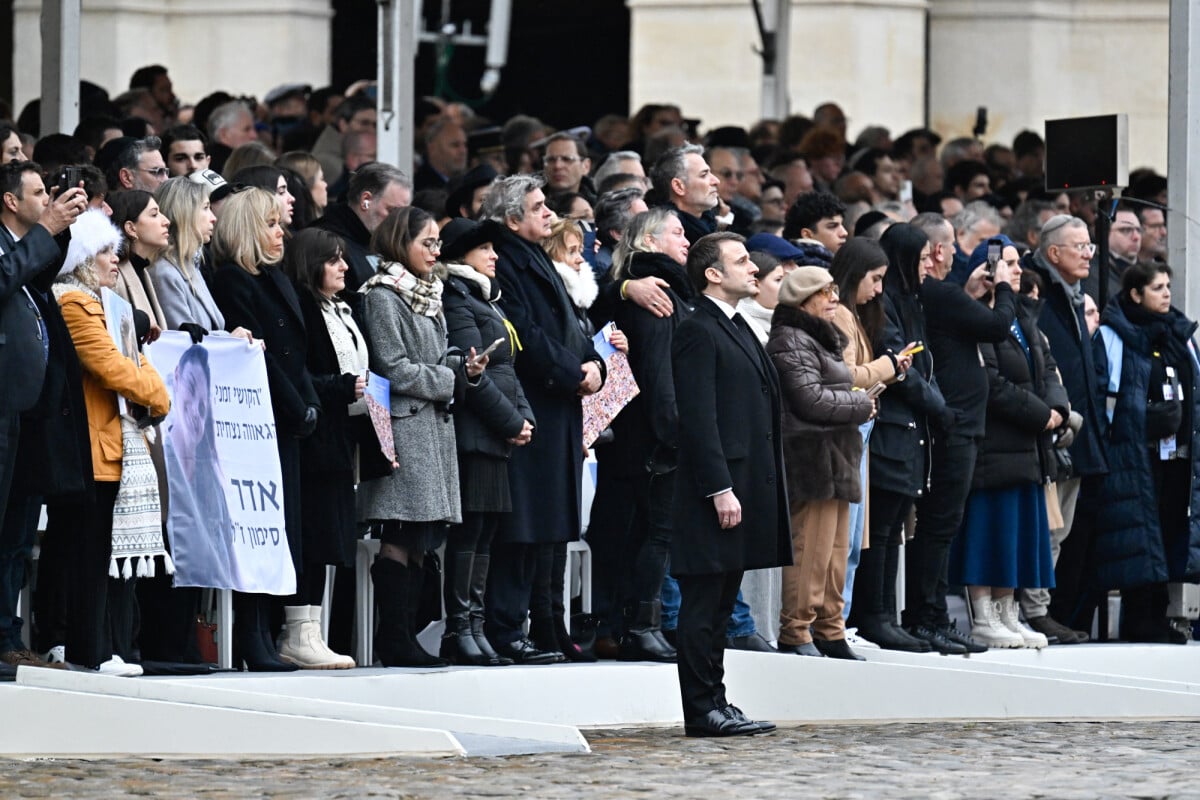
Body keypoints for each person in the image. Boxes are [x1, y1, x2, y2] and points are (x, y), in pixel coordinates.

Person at [481, 176, 606, 664]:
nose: (549, 214)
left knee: (551, 521)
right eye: (538, 208)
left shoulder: (533, 255)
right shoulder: (507, 261)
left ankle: (547, 624)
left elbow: (570, 325)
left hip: (559, 403)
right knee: (524, 522)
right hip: (532, 402)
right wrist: (572, 371)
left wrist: (593, 363)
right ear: (513, 220)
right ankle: (509, 627)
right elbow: (525, 333)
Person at [671, 232, 790, 737]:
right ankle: (701, 709)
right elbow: (697, 417)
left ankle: (717, 699)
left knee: (721, 602)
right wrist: (719, 487)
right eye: (741, 261)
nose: (753, 268)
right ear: (712, 274)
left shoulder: (734, 324)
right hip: (714, 489)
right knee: (703, 603)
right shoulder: (698, 328)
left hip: (742, 482)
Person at [359, 207, 484, 667]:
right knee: (400, 532)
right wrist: (450, 379)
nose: (436, 251)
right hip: (406, 427)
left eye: (438, 243)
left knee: (420, 538)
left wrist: (462, 368)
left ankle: (406, 637)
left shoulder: (427, 294)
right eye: (426, 242)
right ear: (399, 243)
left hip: (432, 427)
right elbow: (392, 366)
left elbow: (439, 357)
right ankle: (394, 639)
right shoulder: (383, 295)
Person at [53, 209, 171, 675]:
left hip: (113, 442)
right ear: (82, 258)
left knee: (104, 551)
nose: (114, 259)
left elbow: (138, 362)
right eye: (104, 251)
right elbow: (112, 367)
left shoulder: (106, 305)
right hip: (90, 442)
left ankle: (107, 646)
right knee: (89, 552)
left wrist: (153, 391)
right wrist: (161, 398)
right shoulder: (73, 303)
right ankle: (91, 649)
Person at [211, 187, 317, 672]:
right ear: (246, 229)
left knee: (277, 530)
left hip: (289, 419)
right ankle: (250, 636)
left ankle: (265, 633)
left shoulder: (276, 278)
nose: (282, 233)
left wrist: (308, 403)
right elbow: (260, 357)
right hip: (260, 420)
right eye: (271, 225)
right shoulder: (233, 280)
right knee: (256, 529)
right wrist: (299, 407)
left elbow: (299, 353)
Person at [904, 221, 1019, 654]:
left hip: (956, 420)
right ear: (936, 250)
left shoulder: (940, 295)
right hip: (954, 422)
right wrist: (1003, 287)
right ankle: (927, 616)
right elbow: (996, 326)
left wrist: (969, 292)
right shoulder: (938, 293)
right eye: (951, 245)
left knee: (940, 525)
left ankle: (930, 615)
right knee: (939, 525)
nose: (956, 254)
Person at [951, 237, 1067, 649]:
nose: (1017, 270)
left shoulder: (1022, 316)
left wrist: (1058, 408)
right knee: (989, 531)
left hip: (1028, 444)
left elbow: (1047, 367)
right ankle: (983, 617)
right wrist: (1041, 414)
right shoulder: (978, 317)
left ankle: (1008, 614)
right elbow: (991, 383)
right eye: (1009, 264)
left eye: (1019, 263)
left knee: (1016, 534)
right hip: (995, 444)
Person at [0, 161, 87, 674]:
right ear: (10, 201)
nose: (45, 201)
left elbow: (42, 267)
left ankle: (8, 637)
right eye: (37, 194)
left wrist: (61, 223)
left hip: (30, 413)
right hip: (5, 409)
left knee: (16, 535)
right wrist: (47, 229)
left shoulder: (28, 247)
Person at [438, 218, 535, 666]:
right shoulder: (457, 299)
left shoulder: (483, 298)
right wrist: (511, 421)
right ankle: (459, 629)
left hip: (496, 433)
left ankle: (475, 625)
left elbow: (505, 370)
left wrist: (524, 418)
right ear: (463, 255)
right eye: (485, 249)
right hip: (476, 433)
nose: (494, 257)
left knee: (486, 532)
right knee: (469, 531)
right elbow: (472, 372)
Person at [768, 265, 876, 660]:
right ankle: (796, 632)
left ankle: (830, 629)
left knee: (833, 553)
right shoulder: (790, 339)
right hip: (811, 458)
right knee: (809, 552)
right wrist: (861, 403)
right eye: (825, 292)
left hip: (836, 454)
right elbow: (809, 399)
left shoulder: (815, 337)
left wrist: (854, 403)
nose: (834, 299)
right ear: (804, 299)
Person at [600, 208, 694, 662]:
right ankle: (642, 626)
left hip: (633, 432)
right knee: (652, 533)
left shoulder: (642, 286)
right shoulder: (656, 293)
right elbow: (660, 375)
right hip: (652, 436)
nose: (687, 240)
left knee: (637, 532)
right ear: (649, 241)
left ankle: (627, 625)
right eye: (677, 232)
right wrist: (673, 434)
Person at [1093, 262, 1200, 643]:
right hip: (1135, 456)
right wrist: (1145, 420)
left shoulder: (1181, 336)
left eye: (1169, 285)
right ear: (1136, 294)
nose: (1167, 293)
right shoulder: (1113, 336)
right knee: (1140, 537)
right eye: (1158, 287)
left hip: (1178, 458)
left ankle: (1160, 614)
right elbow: (1106, 398)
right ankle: (1140, 618)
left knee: (1170, 532)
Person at [277, 228, 366, 669]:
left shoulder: (340, 308)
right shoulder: (305, 308)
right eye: (334, 261)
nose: (345, 267)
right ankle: (298, 631)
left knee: (329, 536)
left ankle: (313, 628)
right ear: (312, 264)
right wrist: (341, 387)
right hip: (314, 437)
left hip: (339, 437)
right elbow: (301, 373)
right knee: (311, 536)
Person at [1019, 215, 1106, 642]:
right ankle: (1031, 611)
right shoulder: (1039, 294)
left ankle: (1039, 610)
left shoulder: (1075, 295)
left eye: (1089, 245)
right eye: (1079, 246)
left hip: (1073, 434)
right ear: (1054, 253)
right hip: (1049, 431)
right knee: (1047, 529)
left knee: (1061, 530)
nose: (1089, 253)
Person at [867, 224, 952, 652]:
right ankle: (875, 615)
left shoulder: (910, 301)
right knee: (881, 526)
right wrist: (939, 407)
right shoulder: (886, 306)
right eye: (921, 260)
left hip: (912, 428)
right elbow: (900, 366)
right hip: (893, 426)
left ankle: (888, 615)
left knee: (897, 523)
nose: (929, 266)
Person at [828, 238, 914, 648]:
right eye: (875, 279)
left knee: (855, 537)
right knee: (845, 537)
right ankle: (833, 624)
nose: (879, 290)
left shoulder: (854, 314)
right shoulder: (841, 315)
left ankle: (839, 622)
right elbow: (845, 375)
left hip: (861, 426)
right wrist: (890, 366)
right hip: (847, 431)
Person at [163, 345, 235, 589]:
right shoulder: (158, 463)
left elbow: (226, 561)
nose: (195, 410)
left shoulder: (213, 483)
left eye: (203, 406)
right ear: (176, 376)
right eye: (191, 389)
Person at [108, 190, 170, 335]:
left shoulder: (142, 270)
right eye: (154, 215)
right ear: (131, 228)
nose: (166, 221)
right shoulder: (114, 276)